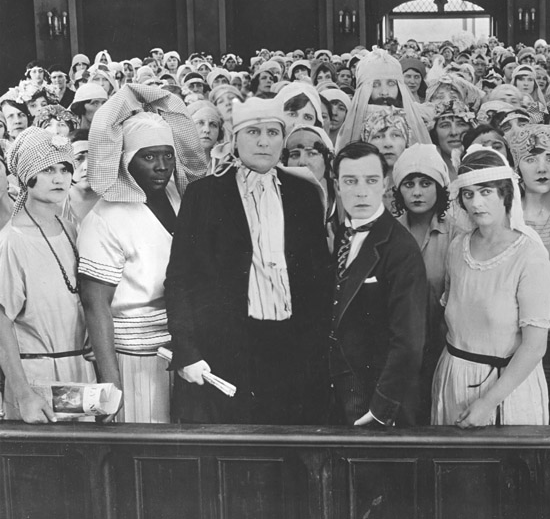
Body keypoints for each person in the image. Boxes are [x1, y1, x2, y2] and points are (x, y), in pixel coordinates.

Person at [165, 97, 332, 424]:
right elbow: (180, 278)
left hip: (288, 350)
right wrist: (186, 349)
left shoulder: (304, 195)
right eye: (253, 131)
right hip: (227, 350)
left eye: (272, 132)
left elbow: (319, 282)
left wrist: (312, 351)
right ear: (234, 137)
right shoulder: (205, 195)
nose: (263, 141)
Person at [78, 85, 207, 423]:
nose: (161, 166)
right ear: (126, 161)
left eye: (167, 155)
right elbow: (95, 305)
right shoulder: (105, 218)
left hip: (184, 350)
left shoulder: (180, 200)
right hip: (133, 359)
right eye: (148, 157)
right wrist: (112, 383)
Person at [431, 147, 550, 426]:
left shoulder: (530, 257)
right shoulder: (457, 248)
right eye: (469, 193)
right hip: (454, 378)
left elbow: (534, 347)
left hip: (504, 390)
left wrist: (487, 403)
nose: (476, 202)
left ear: (505, 194)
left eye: (486, 191)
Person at [328, 141, 427, 426]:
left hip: (374, 397)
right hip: (338, 391)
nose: (361, 191)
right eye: (350, 181)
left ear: (385, 184)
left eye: (370, 180)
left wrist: (382, 408)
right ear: (337, 185)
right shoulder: (342, 235)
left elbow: (409, 342)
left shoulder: (400, 247)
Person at [0, 128, 94, 422]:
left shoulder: (70, 226)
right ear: (28, 175)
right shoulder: (12, 240)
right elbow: (2, 323)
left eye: (65, 168)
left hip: (80, 371)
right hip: (35, 379)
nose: (59, 178)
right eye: (47, 170)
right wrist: (23, 392)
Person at [509, 125, 550, 423]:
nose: (541, 167)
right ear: (516, 165)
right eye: (531, 157)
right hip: (512, 343)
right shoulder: (506, 217)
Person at [391, 144, 455, 423]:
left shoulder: (457, 234)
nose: (417, 192)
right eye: (409, 184)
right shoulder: (388, 233)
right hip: (399, 350)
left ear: (439, 188)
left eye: (426, 183)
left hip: (443, 346)